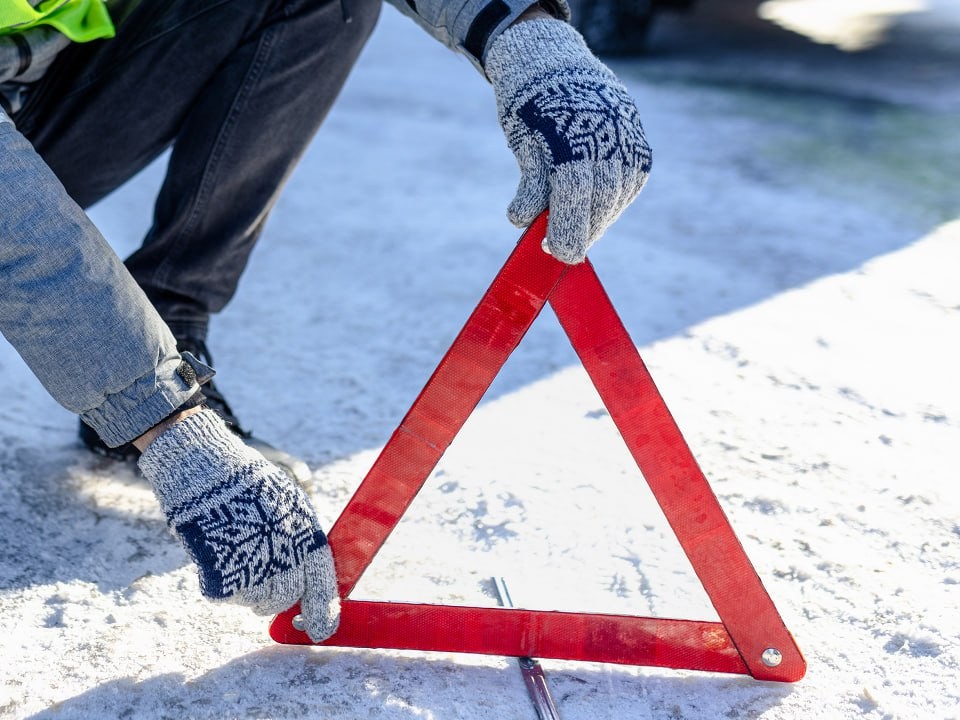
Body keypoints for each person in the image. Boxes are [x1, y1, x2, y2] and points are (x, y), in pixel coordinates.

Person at [1, 0, 652, 457]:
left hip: (41, 90)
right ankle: (166, 388)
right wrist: (157, 415)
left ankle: (177, 334)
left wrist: (525, 36)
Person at [1, 108, 340, 643]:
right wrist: (167, 424)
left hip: (33, 89)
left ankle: (164, 336)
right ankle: (143, 392)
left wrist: (507, 32)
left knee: (317, 16)